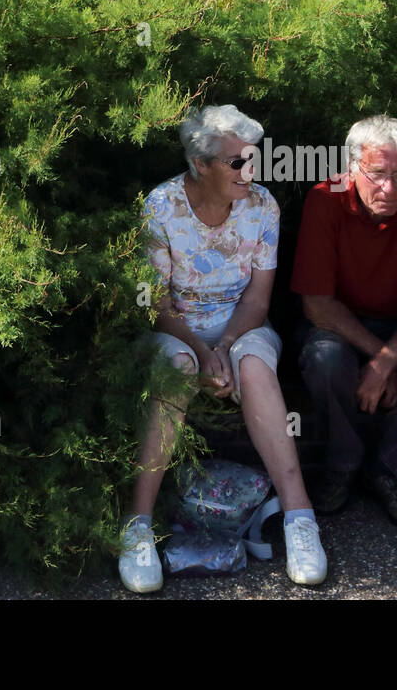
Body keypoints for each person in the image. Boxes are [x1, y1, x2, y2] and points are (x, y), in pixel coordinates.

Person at [119, 105, 327, 593]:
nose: (250, 172)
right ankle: (138, 525)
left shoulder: (263, 206)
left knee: (254, 366)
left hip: (242, 323)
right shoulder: (160, 206)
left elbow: (258, 297)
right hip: (176, 326)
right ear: (200, 164)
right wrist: (200, 349)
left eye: (254, 159)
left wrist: (228, 345)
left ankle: (300, 519)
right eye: (238, 162)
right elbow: (155, 301)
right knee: (176, 366)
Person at [291, 114, 397, 530]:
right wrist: (384, 359)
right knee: (324, 358)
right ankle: (342, 465)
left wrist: (386, 362)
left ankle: (392, 473)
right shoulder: (325, 198)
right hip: (339, 325)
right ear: (352, 169)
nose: (389, 187)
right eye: (377, 174)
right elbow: (316, 305)